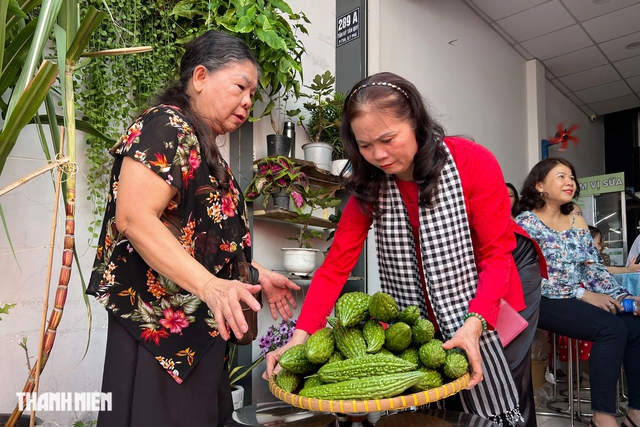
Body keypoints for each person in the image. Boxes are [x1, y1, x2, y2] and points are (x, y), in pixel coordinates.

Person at [264, 72, 541, 426]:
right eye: (365, 146)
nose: (378, 155)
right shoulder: (371, 186)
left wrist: (475, 322)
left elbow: (496, 256)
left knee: (497, 386)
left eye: (388, 139)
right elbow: (335, 268)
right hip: (425, 300)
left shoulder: (472, 161)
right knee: (430, 401)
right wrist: (300, 337)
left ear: (416, 123)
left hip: (496, 286)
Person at [86, 31, 300, 427]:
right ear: (200, 77)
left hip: (198, 338)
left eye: (252, 93)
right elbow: (134, 218)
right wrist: (212, 288)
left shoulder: (201, 143)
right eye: (240, 86)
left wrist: (256, 275)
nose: (248, 101)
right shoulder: (165, 125)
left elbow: (202, 240)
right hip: (160, 341)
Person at [516, 157, 640, 427]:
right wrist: (582, 295)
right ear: (540, 185)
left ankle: (635, 411)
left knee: (633, 323)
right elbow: (528, 278)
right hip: (542, 299)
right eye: (561, 176)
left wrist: (624, 297)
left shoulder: (577, 222)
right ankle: (603, 415)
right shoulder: (525, 223)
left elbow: (593, 271)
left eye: (571, 177)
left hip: (575, 296)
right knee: (612, 329)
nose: (569, 181)